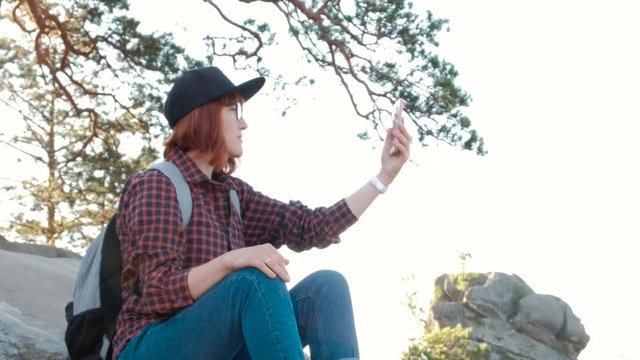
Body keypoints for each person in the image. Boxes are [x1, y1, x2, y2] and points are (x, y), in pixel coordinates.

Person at [112, 66, 411, 360]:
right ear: (203, 117)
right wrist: (231, 261)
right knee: (254, 278)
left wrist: (383, 177)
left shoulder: (232, 194)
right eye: (234, 111)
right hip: (150, 346)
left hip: (218, 349)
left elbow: (311, 227)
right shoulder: (156, 184)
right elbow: (156, 290)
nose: (244, 125)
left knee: (326, 287)